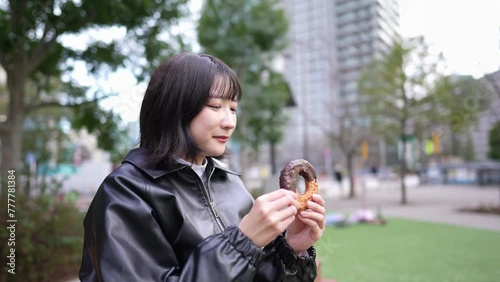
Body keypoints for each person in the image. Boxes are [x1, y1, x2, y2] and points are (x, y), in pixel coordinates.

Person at [79, 52, 326, 281]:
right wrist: (241, 243)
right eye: (216, 106)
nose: (229, 122)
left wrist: (291, 248)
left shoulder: (231, 184)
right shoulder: (125, 192)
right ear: (175, 107)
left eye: (233, 109)